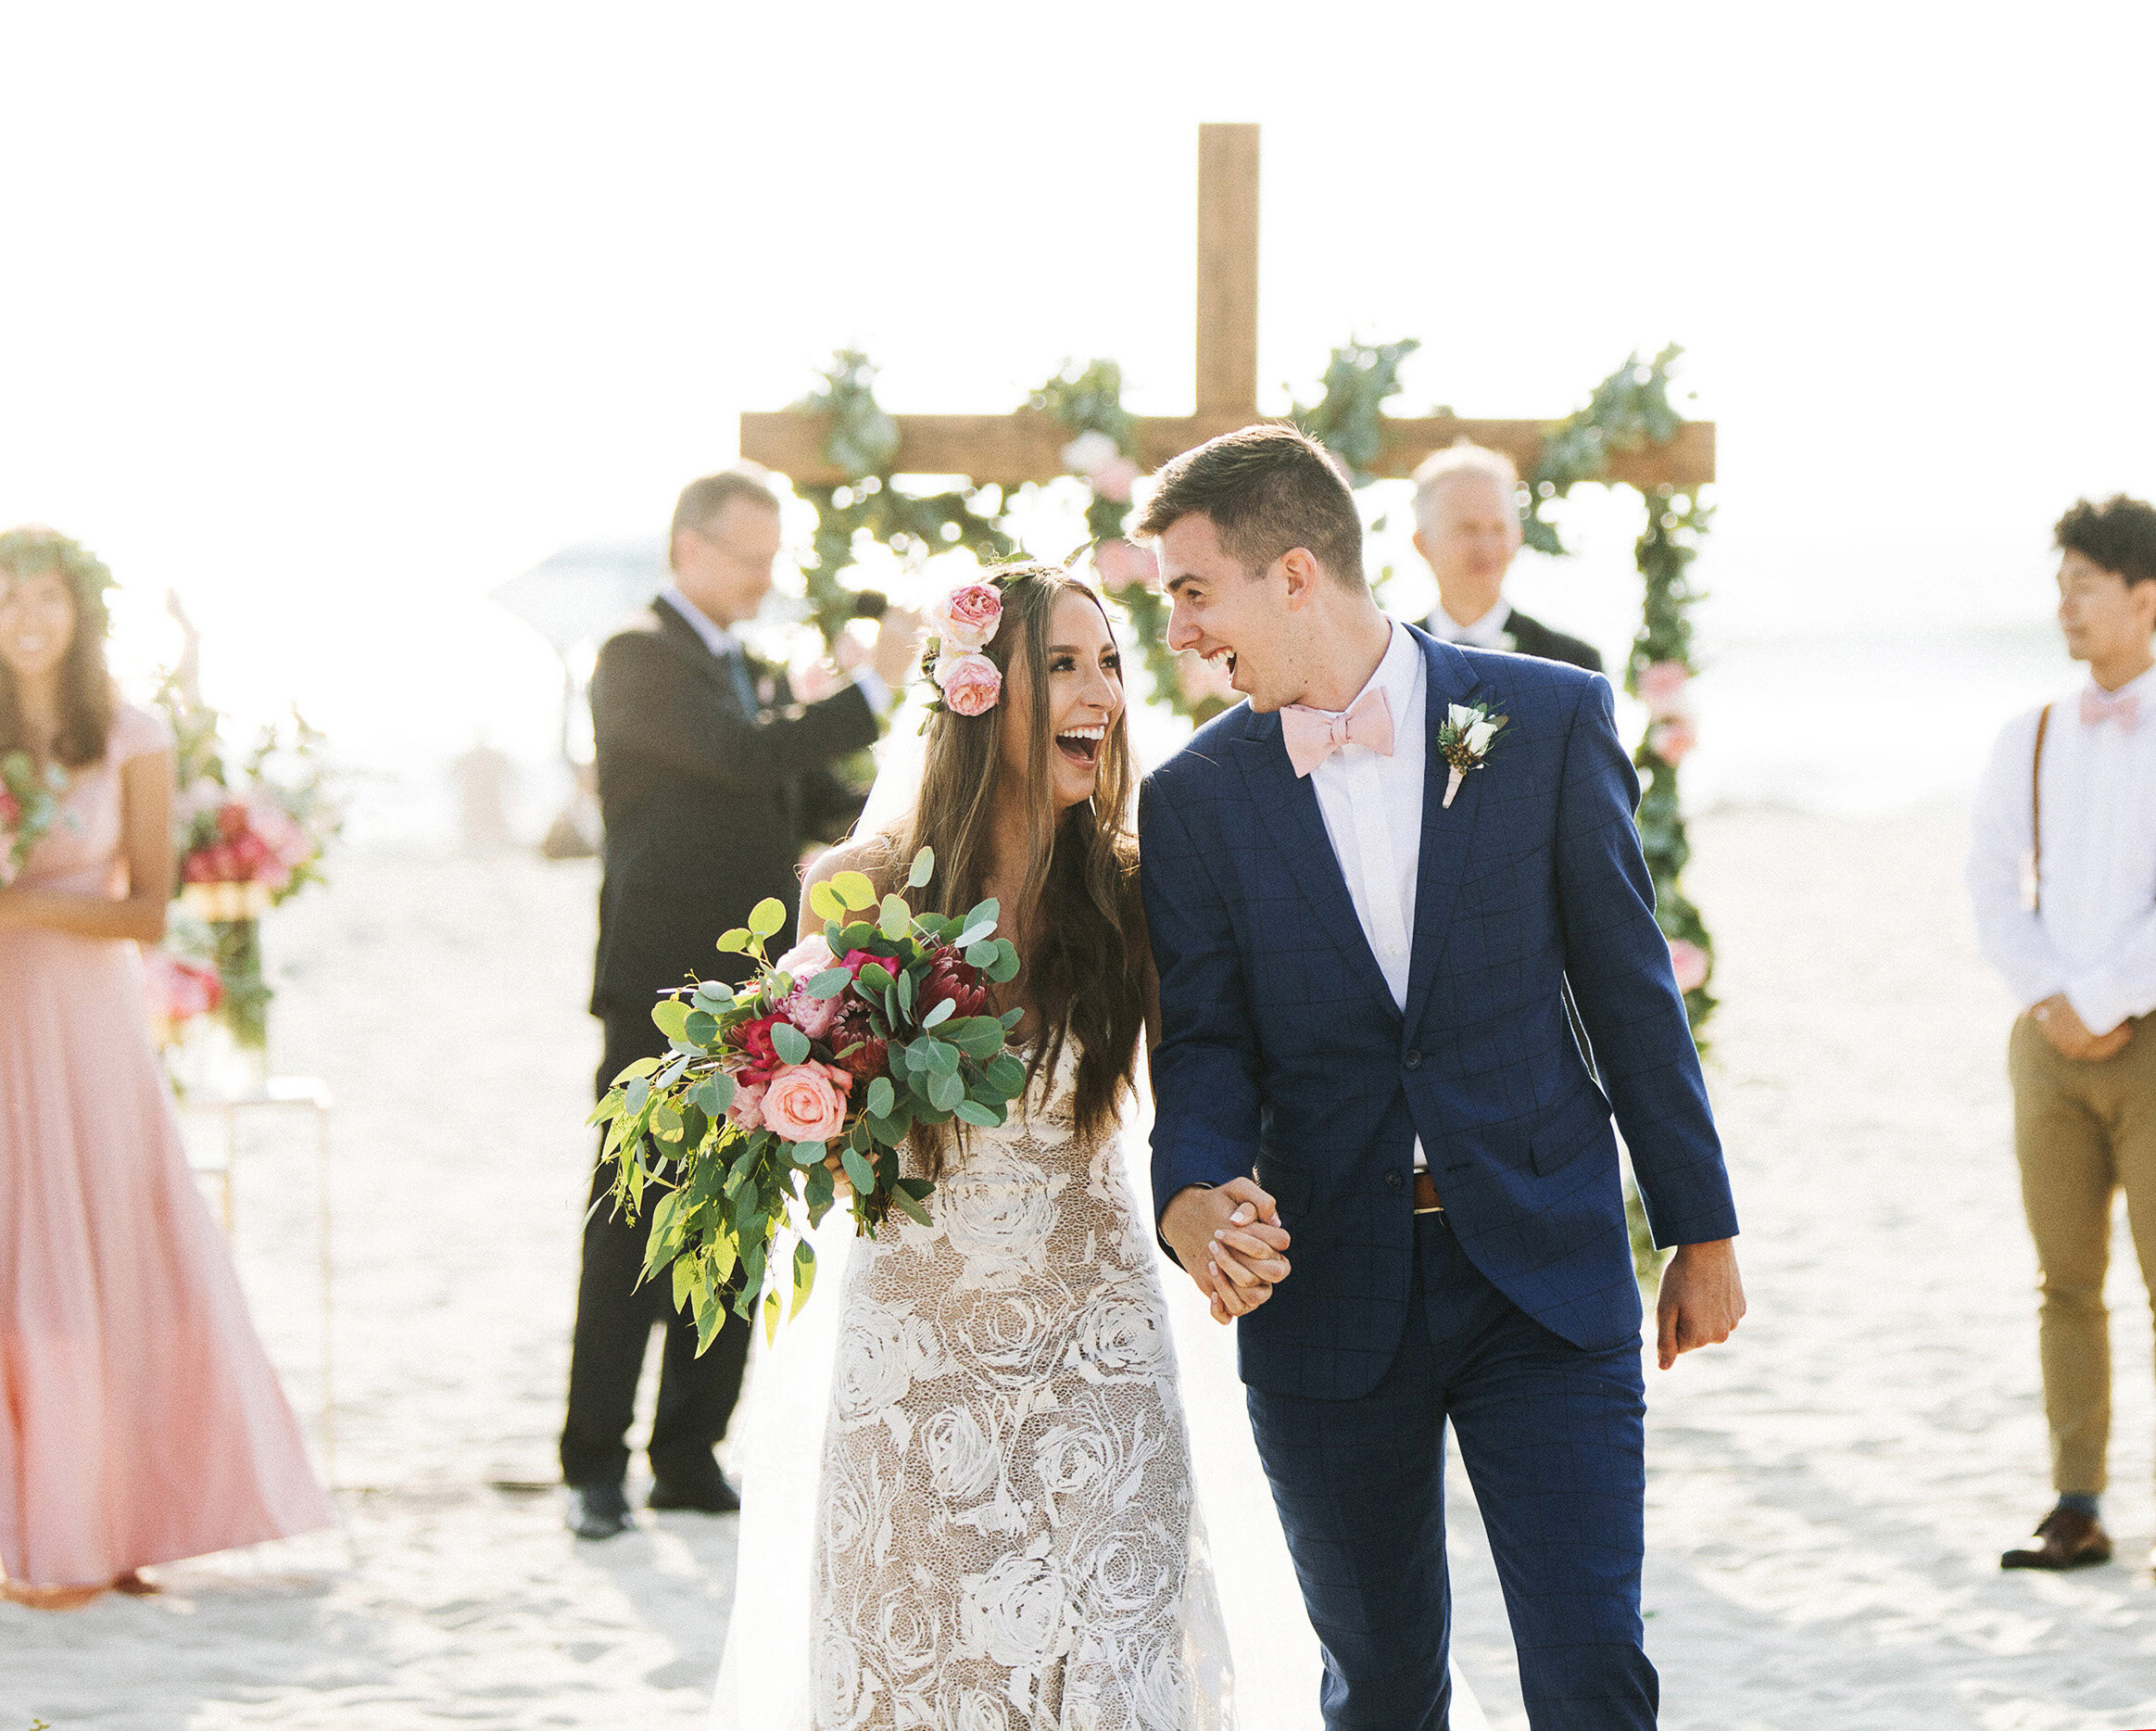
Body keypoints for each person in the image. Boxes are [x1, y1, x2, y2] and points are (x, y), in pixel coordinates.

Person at [1137, 425, 1745, 1730]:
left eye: (1192, 593)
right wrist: (1186, 1187)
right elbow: (1204, 1040)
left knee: (1590, 1668)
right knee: (1381, 1690)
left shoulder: (1543, 717)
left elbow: (1628, 994)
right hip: (1325, 1294)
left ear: (1292, 574)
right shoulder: (1190, 800)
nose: (1176, 632)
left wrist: (1699, 1224)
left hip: (1540, 1271)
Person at [718, 563, 1235, 1730]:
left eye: (1107, 662)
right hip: (915, 1352)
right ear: (974, 690)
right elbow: (830, 1142)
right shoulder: (857, 890)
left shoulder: (1136, 893)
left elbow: (1203, 1091)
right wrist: (776, 1090)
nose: (1097, 688)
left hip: (1101, 1347)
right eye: (1060, 662)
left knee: (1118, 1666)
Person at [562, 468, 919, 1541]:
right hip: (657, 986)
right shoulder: (635, 657)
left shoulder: (754, 671)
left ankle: (688, 1450)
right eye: (751, 556)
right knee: (630, 1215)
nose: (769, 576)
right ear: (689, 547)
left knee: (736, 1205)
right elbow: (731, 759)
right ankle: (593, 1458)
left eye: (774, 556)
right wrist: (861, 689)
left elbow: (809, 794)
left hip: (756, 988)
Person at [0, 525, 332, 1608]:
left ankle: (122, 1519)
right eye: (7, 597)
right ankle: (34, 1525)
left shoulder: (132, 733)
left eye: (44, 595)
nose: (26, 616)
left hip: (87, 1017)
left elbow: (147, 906)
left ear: (79, 609)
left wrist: (14, 899)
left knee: (110, 1251)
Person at [1968, 494, 2156, 1573]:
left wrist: (2110, 995)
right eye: (2059, 585)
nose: (2063, 606)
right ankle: (2074, 1499)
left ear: (2142, 596)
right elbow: (1991, 882)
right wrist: (2049, 996)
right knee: (2062, 1280)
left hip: (2149, 1035)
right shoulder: (2027, 731)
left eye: (2082, 584)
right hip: (2044, 1043)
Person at [1412, 442, 1603, 672]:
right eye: (1468, 529)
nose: (1486, 546)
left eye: (1499, 529)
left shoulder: (1571, 664)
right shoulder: (1393, 661)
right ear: (1422, 543)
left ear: (1517, 537)